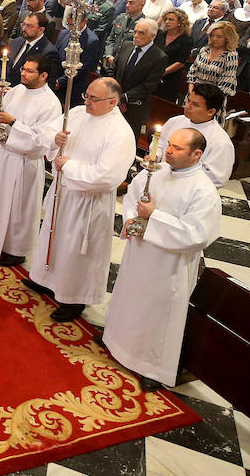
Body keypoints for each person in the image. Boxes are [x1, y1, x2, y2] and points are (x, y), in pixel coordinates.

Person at [104, 127, 221, 389]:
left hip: (169, 265)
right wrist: (132, 218)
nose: (168, 150)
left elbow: (197, 235)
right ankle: (118, 343)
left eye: (177, 148)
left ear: (197, 154)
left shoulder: (203, 190)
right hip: (141, 254)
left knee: (159, 315)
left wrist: (154, 216)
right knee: (131, 299)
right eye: (169, 145)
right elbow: (134, 197)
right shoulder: (155, 172)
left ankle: (152, 367)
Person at [23, 78, 135, 322]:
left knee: (78, 252)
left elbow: (109, 176)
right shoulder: (76, 113)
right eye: (86, 95)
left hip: (88, 201)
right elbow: (48, 133)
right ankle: (47, 279)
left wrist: (69, 167)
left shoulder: (120, 133)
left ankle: (75, 298)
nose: (87, 102)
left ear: (113, 102)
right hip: (63, 192)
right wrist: (56, 140)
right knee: (55, 237)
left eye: (94, 99)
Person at [0, 55, 61, 265]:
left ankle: (16, 249)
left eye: (29, 71)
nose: (23, 73)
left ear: (43, 75)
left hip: (24, 161)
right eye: (23, 69)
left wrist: (13, 123)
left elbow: (41, 140)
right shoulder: (16, 90)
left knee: (18, 207)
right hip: (4, 154)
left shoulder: (51, 103)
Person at [159, 84, 235, 187]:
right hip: (161, 178)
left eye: (195, 104)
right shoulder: (175, 121)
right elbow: (160, 142)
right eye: (188, 100)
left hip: (188, 190)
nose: (187, 106)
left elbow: (216, 179)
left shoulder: (221, 142)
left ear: (211, 111)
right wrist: (156, 155)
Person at [115, 18, 167, 135]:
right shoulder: (126, 46)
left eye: (141, 33)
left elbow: (149, 85)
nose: (136, 36)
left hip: (135, 108)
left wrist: (123, 98)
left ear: (152, 36)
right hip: (114, 103)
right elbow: (113, 69)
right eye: (135, 32)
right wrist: (115, 95)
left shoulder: (159, 57)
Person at [53, 8, 101, 106]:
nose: (71, 28)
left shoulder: (92, 41)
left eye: (75, 25)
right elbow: (55, 57)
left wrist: (61, 81)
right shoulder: (63, 33)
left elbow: (83, 68)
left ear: (85, 21)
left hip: (74, 87)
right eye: (69, 24)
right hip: (56, 81)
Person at [189, 21, 240, 98]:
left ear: (227, 38)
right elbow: (192, 72)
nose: (214, 39)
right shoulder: (204, 50)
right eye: (212, 35)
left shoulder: (231, 55)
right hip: (194, 94)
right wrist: (191, 93)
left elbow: (227, 81)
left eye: (219, 37)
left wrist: (204, 99)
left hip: (213, 98)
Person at [6, 10, 57, 86]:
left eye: (29, 26)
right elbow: (4, 65)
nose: (24, 29)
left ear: (41, 30)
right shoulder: (16, 42)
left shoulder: (48, 52)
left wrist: (16, 91)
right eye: (23, 24)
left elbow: (48, 82)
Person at [153, 9, 194, 103]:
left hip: (171, 78)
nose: (167, 22)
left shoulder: (186, 40)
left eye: (171, 20)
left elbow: (181, 62)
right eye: (166, 19)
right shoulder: (159, 34)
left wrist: (163, 72)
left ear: (180, 22)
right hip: (153, 73)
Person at [103, 0, 146, 72]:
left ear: (141, 6)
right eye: (127, 2)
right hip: (110, 60)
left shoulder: (144, 24)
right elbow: (111, 38)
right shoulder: (121, 18)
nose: (127, 5)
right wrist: (108, 55)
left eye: (131, 3)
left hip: (126, 65)